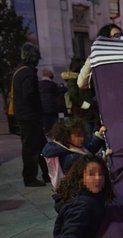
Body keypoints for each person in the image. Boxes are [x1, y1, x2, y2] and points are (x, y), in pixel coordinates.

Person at [12, 43, 49, 187]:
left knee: (40, 145)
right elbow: (30, 95)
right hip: (30, 117)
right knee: (31, 148)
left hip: (25, 116)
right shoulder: (27, 73)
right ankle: (30, 177)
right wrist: (38, 112)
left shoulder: (19, 71)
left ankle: (47, 174)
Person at [41, 118, 106, 189]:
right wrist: (103, 157)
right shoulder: (71, 157)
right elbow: (91, 167)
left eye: (82, 134)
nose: (82, 138)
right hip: (78, 191)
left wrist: (99, 135)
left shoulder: (68, 146)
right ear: (67, 137)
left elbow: (88, 151)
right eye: (78, 136)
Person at [38, 69, 66, 134]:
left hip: (42, 107)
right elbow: (58, 94)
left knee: (45, 123)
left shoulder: (38, 84)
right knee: (52, 123)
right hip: (52, 107)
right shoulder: (53, 85)